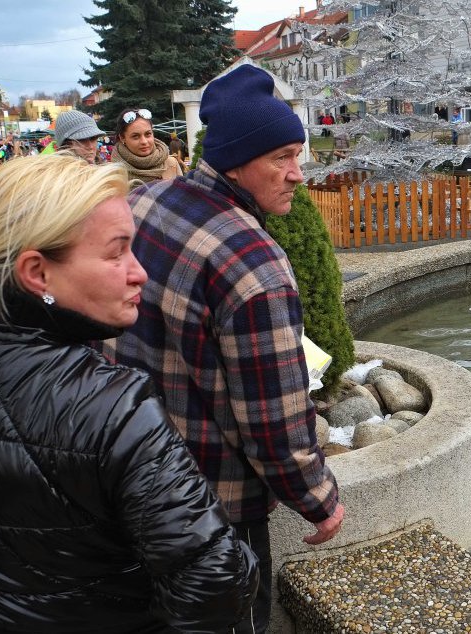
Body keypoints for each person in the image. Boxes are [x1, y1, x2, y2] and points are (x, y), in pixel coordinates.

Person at [0, 154, 258, 633]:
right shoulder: (116, 408)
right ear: (37, 273)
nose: (138, 272)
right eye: (116, 252)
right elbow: (216, 580)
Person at [104, 64, 344, 634]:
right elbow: (273, 421)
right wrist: (318, 498)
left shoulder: (146, 202)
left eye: (298, 156)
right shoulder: (254, 265)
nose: (297, 174)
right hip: (214, 503)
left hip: (131, 470)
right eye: (282, 157)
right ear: (237, 159)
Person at [111, 107, 183, 187]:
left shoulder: (171, 163)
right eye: (135, 136)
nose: (144, 141)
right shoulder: (113, 173)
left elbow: (184, 196)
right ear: (122, 138)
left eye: (148, 134)